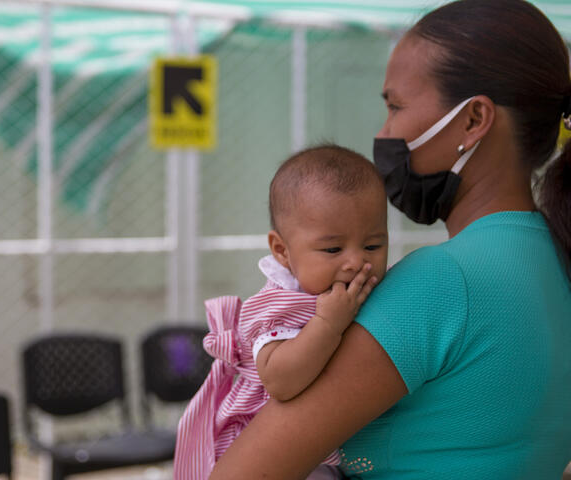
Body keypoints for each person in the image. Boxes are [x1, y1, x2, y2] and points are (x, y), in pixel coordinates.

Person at [210, 0, 571, 479]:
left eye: (396, 106)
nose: (384, 133)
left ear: (472, 120)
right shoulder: (558, 257)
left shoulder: (441, 283)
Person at [174, 145, 388, 480]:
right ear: (282, 251)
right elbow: (280, 380)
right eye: (332, 249)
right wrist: (328, 324)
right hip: (277, 450)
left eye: (373, 245)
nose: (356, 262)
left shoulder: (366, 291)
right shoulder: (278, 305)